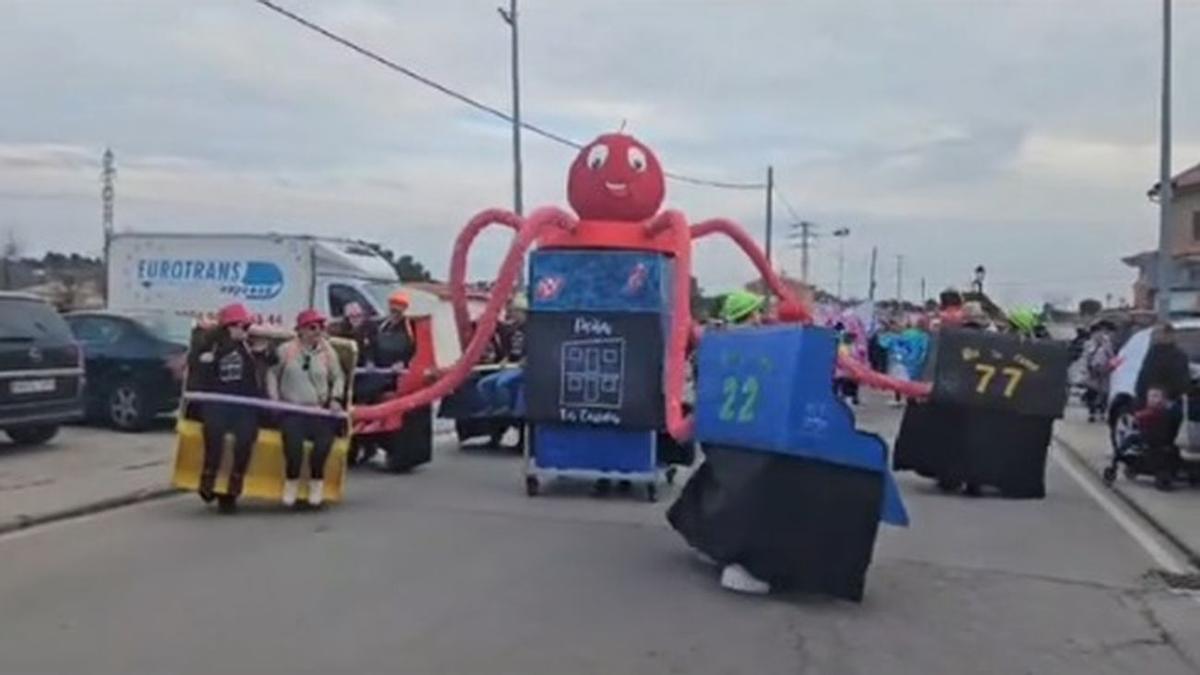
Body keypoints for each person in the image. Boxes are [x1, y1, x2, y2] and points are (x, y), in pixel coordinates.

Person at [194, 303, 271, 513]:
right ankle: (208, 478)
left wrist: (261, 354)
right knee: (214, 435)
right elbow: (201, 367)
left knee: (245, 439)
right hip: (218, 401)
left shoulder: (250, 349)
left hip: (244, 405)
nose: (246, 331)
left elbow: (263, 373)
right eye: (242, 327)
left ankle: (234, 486)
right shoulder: (215, 346)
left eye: (247, 327)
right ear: (230, 327)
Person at [269, 309, 346, 507]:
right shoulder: (286, 350)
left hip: (318, 410)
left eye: (321, 327)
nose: (317, 331)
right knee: (293, 447)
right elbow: (272, 374)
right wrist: (275, 399)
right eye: (312, 327)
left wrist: (336, 398)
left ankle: (316, 484)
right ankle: (291, 483)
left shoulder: (328, 352)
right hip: (293, 410)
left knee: (322, 446)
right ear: (301, 330)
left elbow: (338, 377)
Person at [330, 302, 382, 466]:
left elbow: (378, 351)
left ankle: (367, 448)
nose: (354, 320)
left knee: (361, 415)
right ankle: (348, 452)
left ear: (363, 315)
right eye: (351, 317)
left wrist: (371, 362)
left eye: (357, 316)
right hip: (347, 379)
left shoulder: (372, 330)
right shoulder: (341, 331)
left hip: (366, 382)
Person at [1082, 324, 1115, 422]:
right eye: (1098, 332)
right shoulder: (1088, 344)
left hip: (1105, 371)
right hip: (1092, 371)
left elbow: (1112, 356)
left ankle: (1102, 412)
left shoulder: (1108, 344)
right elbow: (1085, 357)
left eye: (1102, 332)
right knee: (1092, 392)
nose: (1100, 335)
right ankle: (1092, 412)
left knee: (1104, 393)